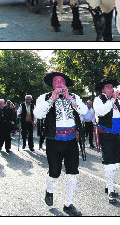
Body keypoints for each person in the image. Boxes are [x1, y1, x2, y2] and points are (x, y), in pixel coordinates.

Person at [34, 72, 87, 216]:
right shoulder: (44, 98)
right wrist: (52, 99)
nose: (59, 83)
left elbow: (84, 111)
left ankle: (68, 204)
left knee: (72, 173)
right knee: (54, 173)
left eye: (61, 81)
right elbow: (38, 115)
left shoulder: (74, 97)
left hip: (71, 141)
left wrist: (70, 99)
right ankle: (49, 190)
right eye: (56, 81)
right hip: (54, 142)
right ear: (52, 84)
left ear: (65, 84)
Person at [93, 79, 120, 204]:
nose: (111, 89)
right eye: (108, 87)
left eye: (111, 87)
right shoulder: (98, 99)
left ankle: (108, 184)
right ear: (103, 89)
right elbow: (101, 112)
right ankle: (111, 190)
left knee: (116, 163)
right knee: (109, 163)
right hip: (106, 135)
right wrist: (112, 100)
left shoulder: (116, 101)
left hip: (117, 135)